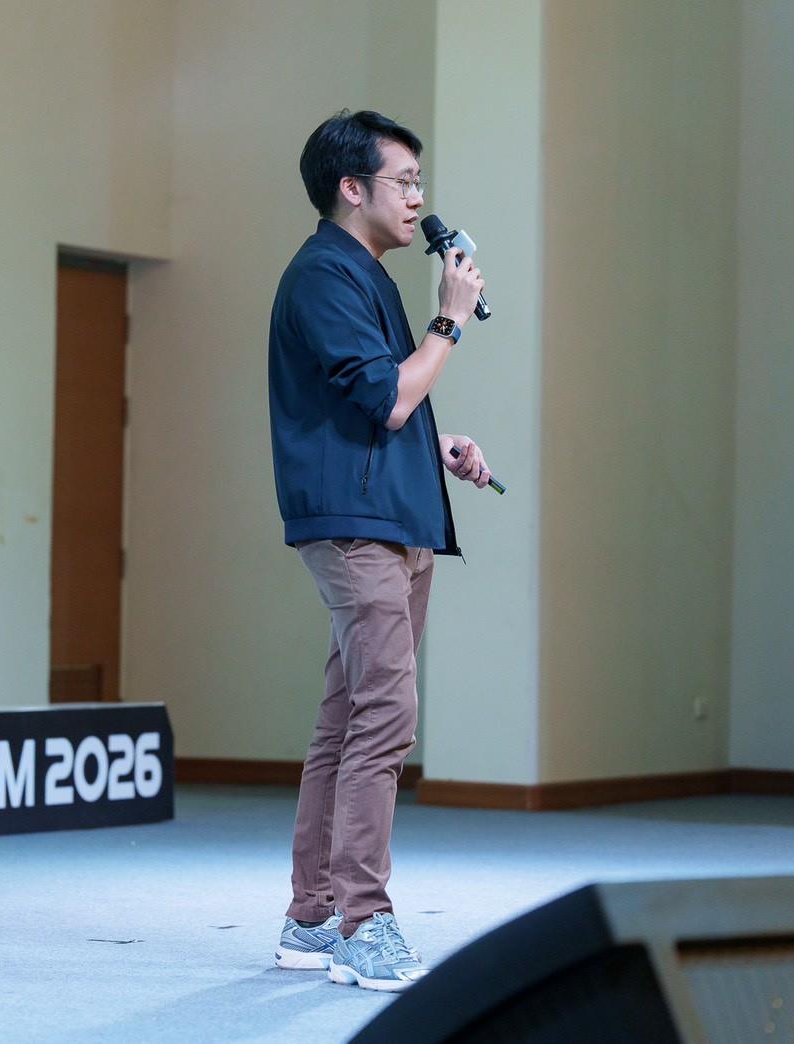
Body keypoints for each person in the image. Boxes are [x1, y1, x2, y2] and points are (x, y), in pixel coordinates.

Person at [267, 109, 490, 992]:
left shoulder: (362, 275)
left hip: (393, 514)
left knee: (347, 718)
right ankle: (365, 921)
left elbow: (381, 403)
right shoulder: (324, 275)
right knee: (386, 716)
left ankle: (312, 915)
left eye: (419, 182)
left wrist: (441, 443)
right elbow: (390, 399)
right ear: (351, 188)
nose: (418, 199)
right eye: (404, 182)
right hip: (357, 526)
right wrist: (450, 322)